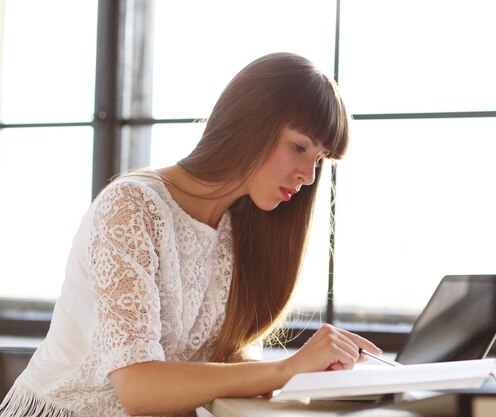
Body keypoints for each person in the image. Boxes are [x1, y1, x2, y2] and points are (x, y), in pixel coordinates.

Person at [0, 52, 382, 417]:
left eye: (318, 159)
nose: (309, 175)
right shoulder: (132, 206)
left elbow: (227, 358)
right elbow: (137, 387)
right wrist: (287, 369)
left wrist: (309, 373)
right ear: (251, 123)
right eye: (299, 147)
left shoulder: (243, 225)